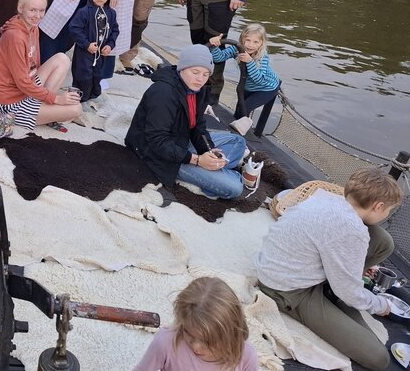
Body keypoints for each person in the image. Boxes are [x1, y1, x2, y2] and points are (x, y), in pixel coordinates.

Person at [256, 168, 403, 371]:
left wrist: (352, 266)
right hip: (288, 290)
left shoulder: (326, 198)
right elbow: (350, 294)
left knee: (382, 241)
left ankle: (335, 290)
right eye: (388, 210)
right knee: (378, 358)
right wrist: (382, 306)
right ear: (379, 206)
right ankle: (334, 293)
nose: (387, 215)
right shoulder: (351, 230)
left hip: (286, 268)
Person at [125, 44, 246, 200]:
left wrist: (209, 150)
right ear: (182, 68)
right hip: (157, 154)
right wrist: (196, 160)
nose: (200, 79)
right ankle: (220, 174)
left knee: (238, 142)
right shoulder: (163, 93)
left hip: (182, 140)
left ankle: (214, 169)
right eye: (195, 72)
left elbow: (199, 126)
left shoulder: (199, 89)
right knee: (235, 188)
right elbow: (156, 141)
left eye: (205, 74)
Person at [0, 0, 82, 129]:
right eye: (32, 10)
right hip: (12, 101)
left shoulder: (33, 28)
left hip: (28, 88)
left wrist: (45, 96)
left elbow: (35, 65)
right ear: (20, 8)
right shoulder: (15, 37)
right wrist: (56, 99)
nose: (38, 16)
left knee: (62, 58)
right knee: (76, 110)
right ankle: (19, 116)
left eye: (42, 11)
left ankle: (42, 108)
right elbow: (22, 82)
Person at [134, 276, 259, 371]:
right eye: (188, 333)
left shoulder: (246, 357)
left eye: (208, 341)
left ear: (232, 334)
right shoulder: (166, 342)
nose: (196, 347)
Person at [209, 23, 280, 137]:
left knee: (245, 108)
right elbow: (218, 58)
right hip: (248, 86)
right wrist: (215, 46)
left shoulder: (263, 56)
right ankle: (234, 134)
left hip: (266, 87)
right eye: (248, 40)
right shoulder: (236, 49)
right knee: (238, 113)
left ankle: (242, 138)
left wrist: (250, 62)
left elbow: (258, 80)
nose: (250, 45)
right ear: (242, 39)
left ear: (262, 43)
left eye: (256, 42)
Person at [68, 0, 119, 103]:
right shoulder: (84, 12)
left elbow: (115, 30)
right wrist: (86, 44)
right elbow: (74, 29)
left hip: (101, 53)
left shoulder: (111, 13)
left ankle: (94, 96)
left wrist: (110, 45)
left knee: (98, 75)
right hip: (84, 52)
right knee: (83, 75)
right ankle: (81, 99)